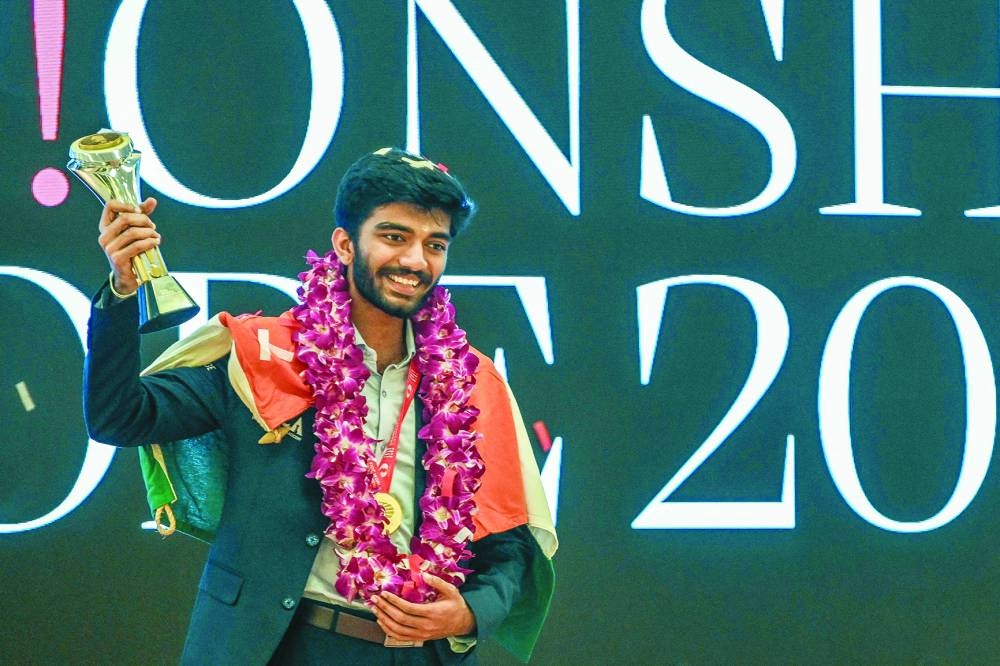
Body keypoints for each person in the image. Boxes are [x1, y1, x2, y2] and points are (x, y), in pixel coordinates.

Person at [83, 147, 557, 665]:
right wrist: (122, 290)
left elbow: (509, 546)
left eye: (434, 244)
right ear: (345, 244)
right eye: (395, 236)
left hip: (414, 656)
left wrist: (468, 613)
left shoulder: (471, 383)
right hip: (275, 645)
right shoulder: (266, 355)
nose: (415, 261)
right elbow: (119, 415)